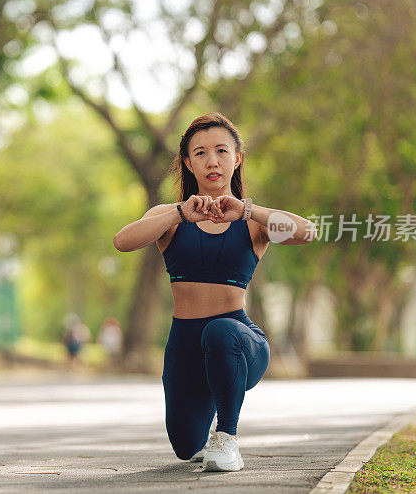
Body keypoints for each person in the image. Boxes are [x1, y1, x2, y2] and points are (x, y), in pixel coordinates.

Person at [112, 112, 315, 472]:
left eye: (222, 150)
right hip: (185, 345)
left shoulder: (252, 221)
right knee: (185, 446)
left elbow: (306, 232)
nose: (212, 160)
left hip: (239, 340)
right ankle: (206, 435)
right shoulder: (170, 216)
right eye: (201, 153)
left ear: (237, 158)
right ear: (188, 163)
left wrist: (247, 208)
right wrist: (179, 212)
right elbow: (123, 241)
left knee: (219, 331)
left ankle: (227, 438)